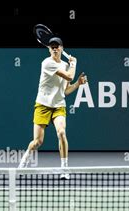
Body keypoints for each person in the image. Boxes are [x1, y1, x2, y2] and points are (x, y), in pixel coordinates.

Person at [18, 37, 88, 179]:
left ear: (62, 48)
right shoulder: (47, 63)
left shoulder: (65, 65)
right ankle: (24, 162)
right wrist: (74, 64)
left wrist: (78, 84)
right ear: (49, 49)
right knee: (38, 142)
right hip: (43, 105)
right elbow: (69, 76)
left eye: (57, 46)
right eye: (52, 47)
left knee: (61, 132)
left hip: (58, 105)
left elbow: (65, 91)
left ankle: (64, 168)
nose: (55, 48)